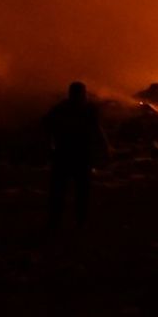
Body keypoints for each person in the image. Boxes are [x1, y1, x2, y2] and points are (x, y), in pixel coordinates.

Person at [44, 81, 108, 230]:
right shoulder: (80, 109)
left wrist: (50, 145)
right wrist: (104, 147)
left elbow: (96, 129)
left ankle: (69, 221)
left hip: (71, 154)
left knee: (73, 190)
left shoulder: (64, 108)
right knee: (72, 190)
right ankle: (69, 221)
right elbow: (97, 130)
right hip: (73, 154)